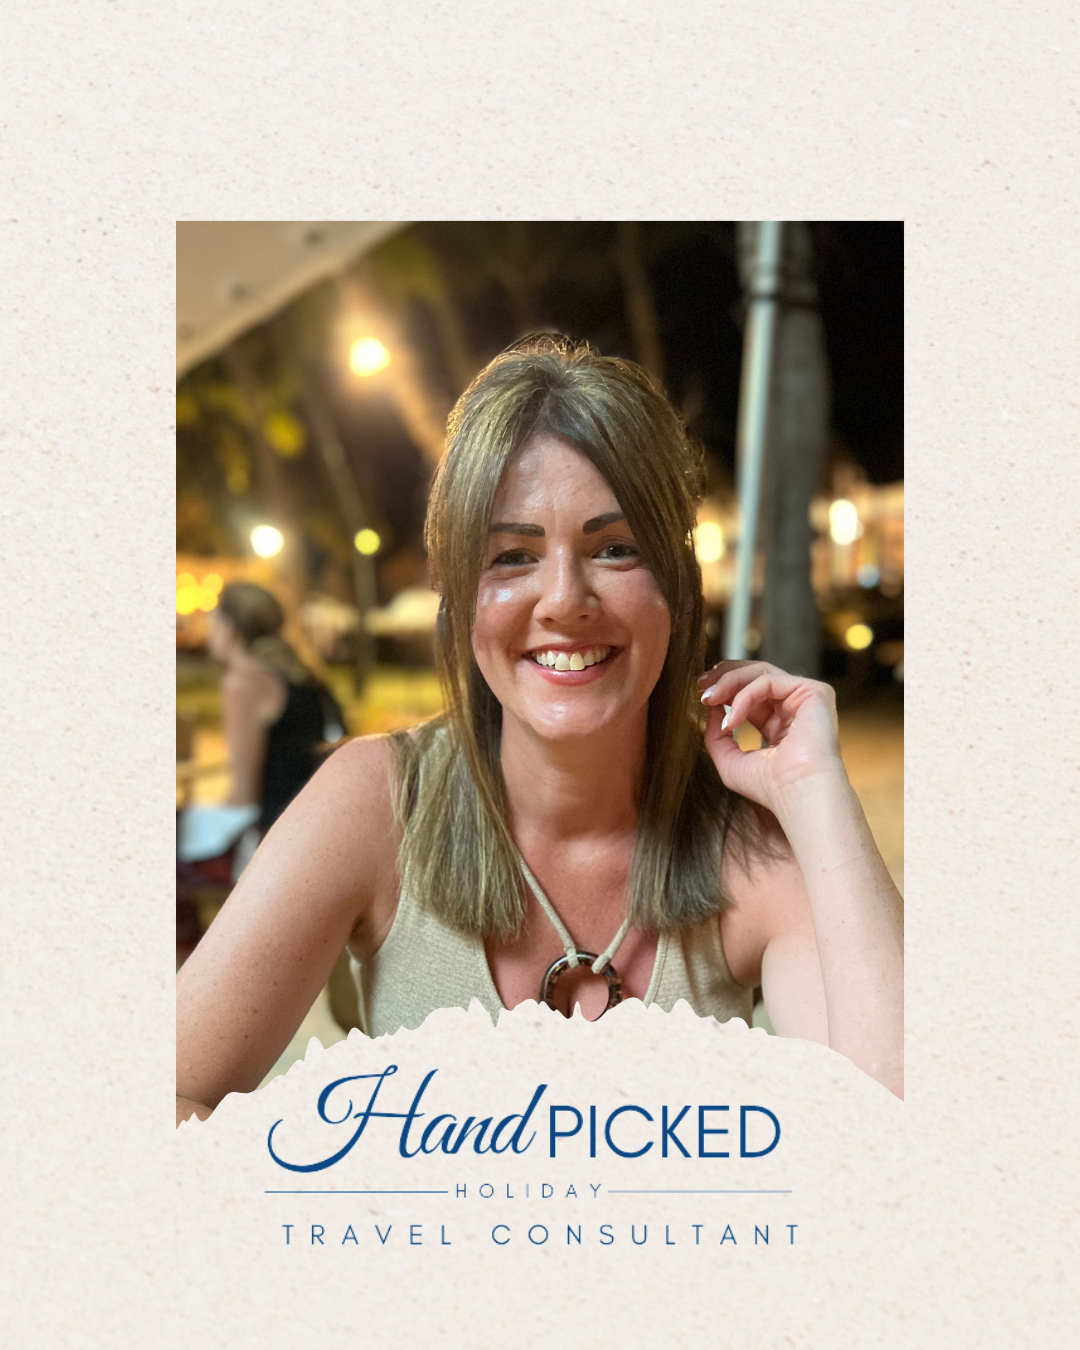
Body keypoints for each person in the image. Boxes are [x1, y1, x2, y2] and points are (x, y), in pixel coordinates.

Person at [177, 337, 903, 1125]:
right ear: (459, 601)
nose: (563, 598)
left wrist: (816, 796)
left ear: (679, 589)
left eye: (616, 548)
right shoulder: (377, 802)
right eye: (513, 555)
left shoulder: (750, 848)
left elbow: (899, 1139)